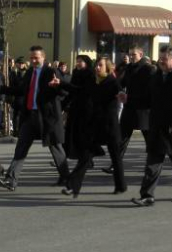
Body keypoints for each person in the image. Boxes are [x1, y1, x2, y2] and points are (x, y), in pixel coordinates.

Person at [131, 45, 172, 206]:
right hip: (157, 126)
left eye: (164, 59)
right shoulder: (156, 77)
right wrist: (129, 100)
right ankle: (147, 195)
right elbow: (148, 99)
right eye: (159, 58)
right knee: (152, 163)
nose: (160, 61)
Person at [0, 46, 69, 191]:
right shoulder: (30, 72)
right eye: (31, 58)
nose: (33, 60)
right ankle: (11, 180)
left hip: (47, 117)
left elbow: (63, 91)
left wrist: (57, 86)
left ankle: (66, 178)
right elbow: (20, 90)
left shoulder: (51, 72)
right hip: (30, 115)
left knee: (55, 147)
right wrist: (0, 88)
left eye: (36, 57)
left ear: (43, 57)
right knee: (21, 147)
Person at [54, 57, 126, 197]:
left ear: (108, 68)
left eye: (101, 65)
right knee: (85, 157)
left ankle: (121, 185)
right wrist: (61, 83)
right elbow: (79, 90)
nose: (97, 68)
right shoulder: (93, 82)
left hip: (110, 126)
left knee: (116, 158)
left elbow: (120, 92)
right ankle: (72, 186)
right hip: (96, 126)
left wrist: (122, 95)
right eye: (97, 65)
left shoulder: (112, 82)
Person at [115, 45, 155, 171]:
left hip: (144, 110)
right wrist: (120, 92)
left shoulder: (149, 69)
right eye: (130, 54)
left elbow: (153, 90)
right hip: (130, 107)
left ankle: (153, 163)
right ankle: (115, 164)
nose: (131, 57)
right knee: (122, 138)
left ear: (141, 55)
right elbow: (120, 83)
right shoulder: (128, 68)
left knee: (149, 139)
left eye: (134, 54)